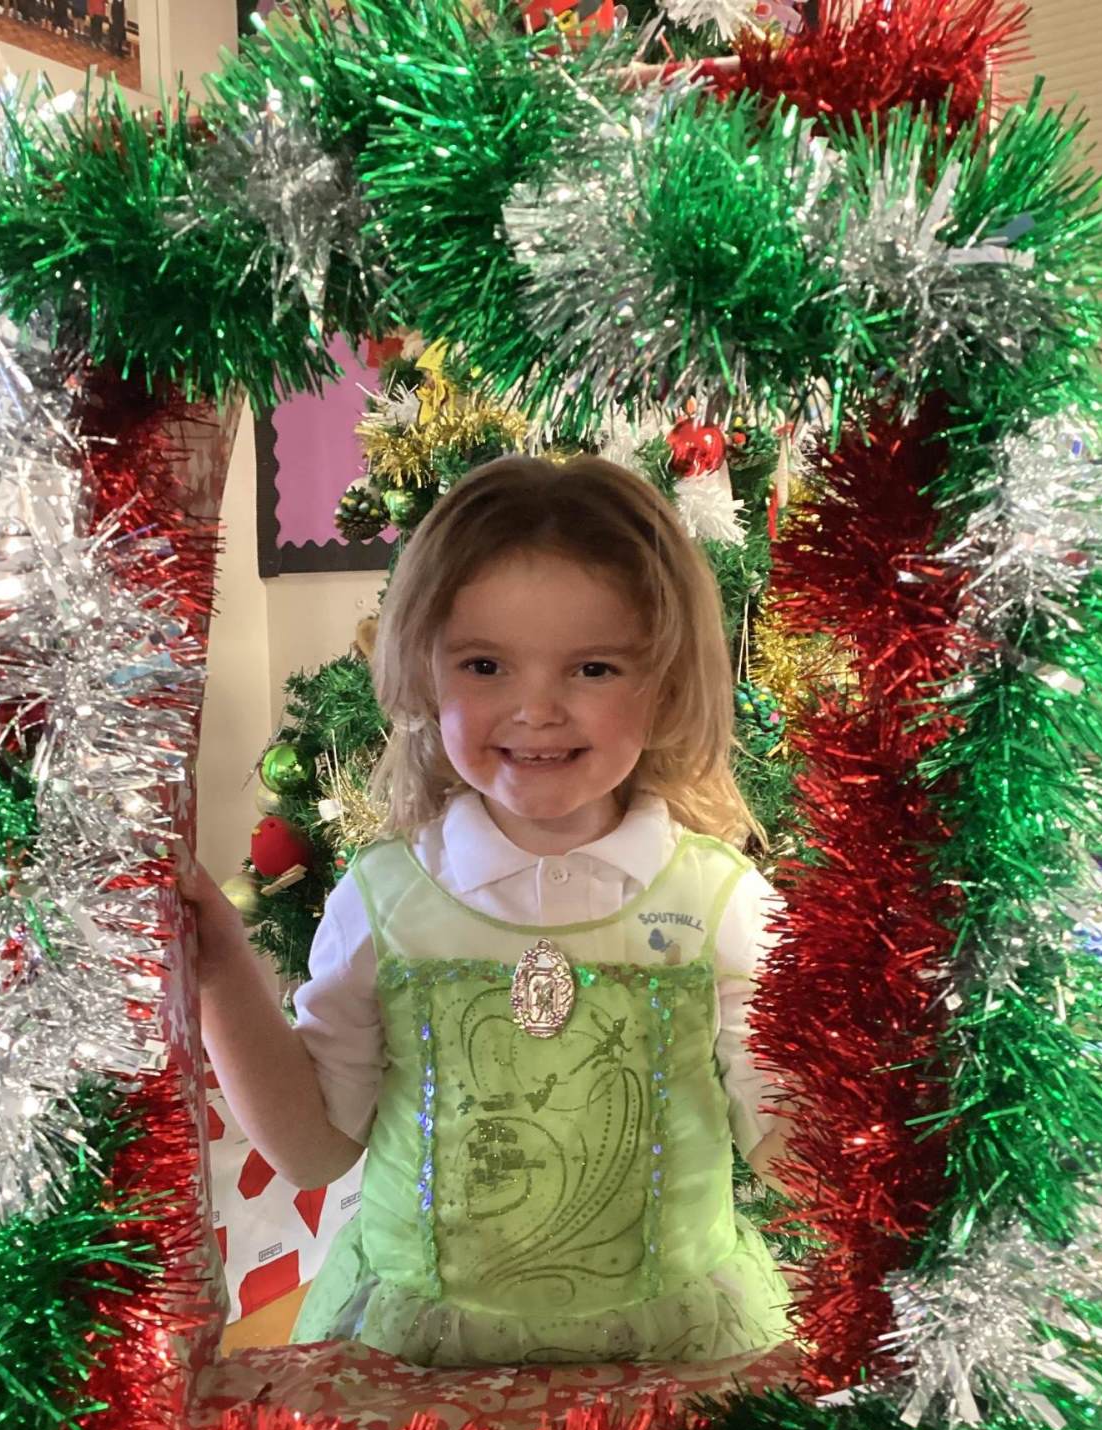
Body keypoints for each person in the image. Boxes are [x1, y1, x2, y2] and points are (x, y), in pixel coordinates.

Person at [184, 455, 792, 1367]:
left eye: (593, 667)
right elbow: (313, 1149)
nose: (537, 709)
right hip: (424, 1359)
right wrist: (220, 967)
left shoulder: (721, 903)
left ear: (665, 685)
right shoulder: (385, 901)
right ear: (426, 674)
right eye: (485, 665)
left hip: (669, 1353)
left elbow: (790, 1144)